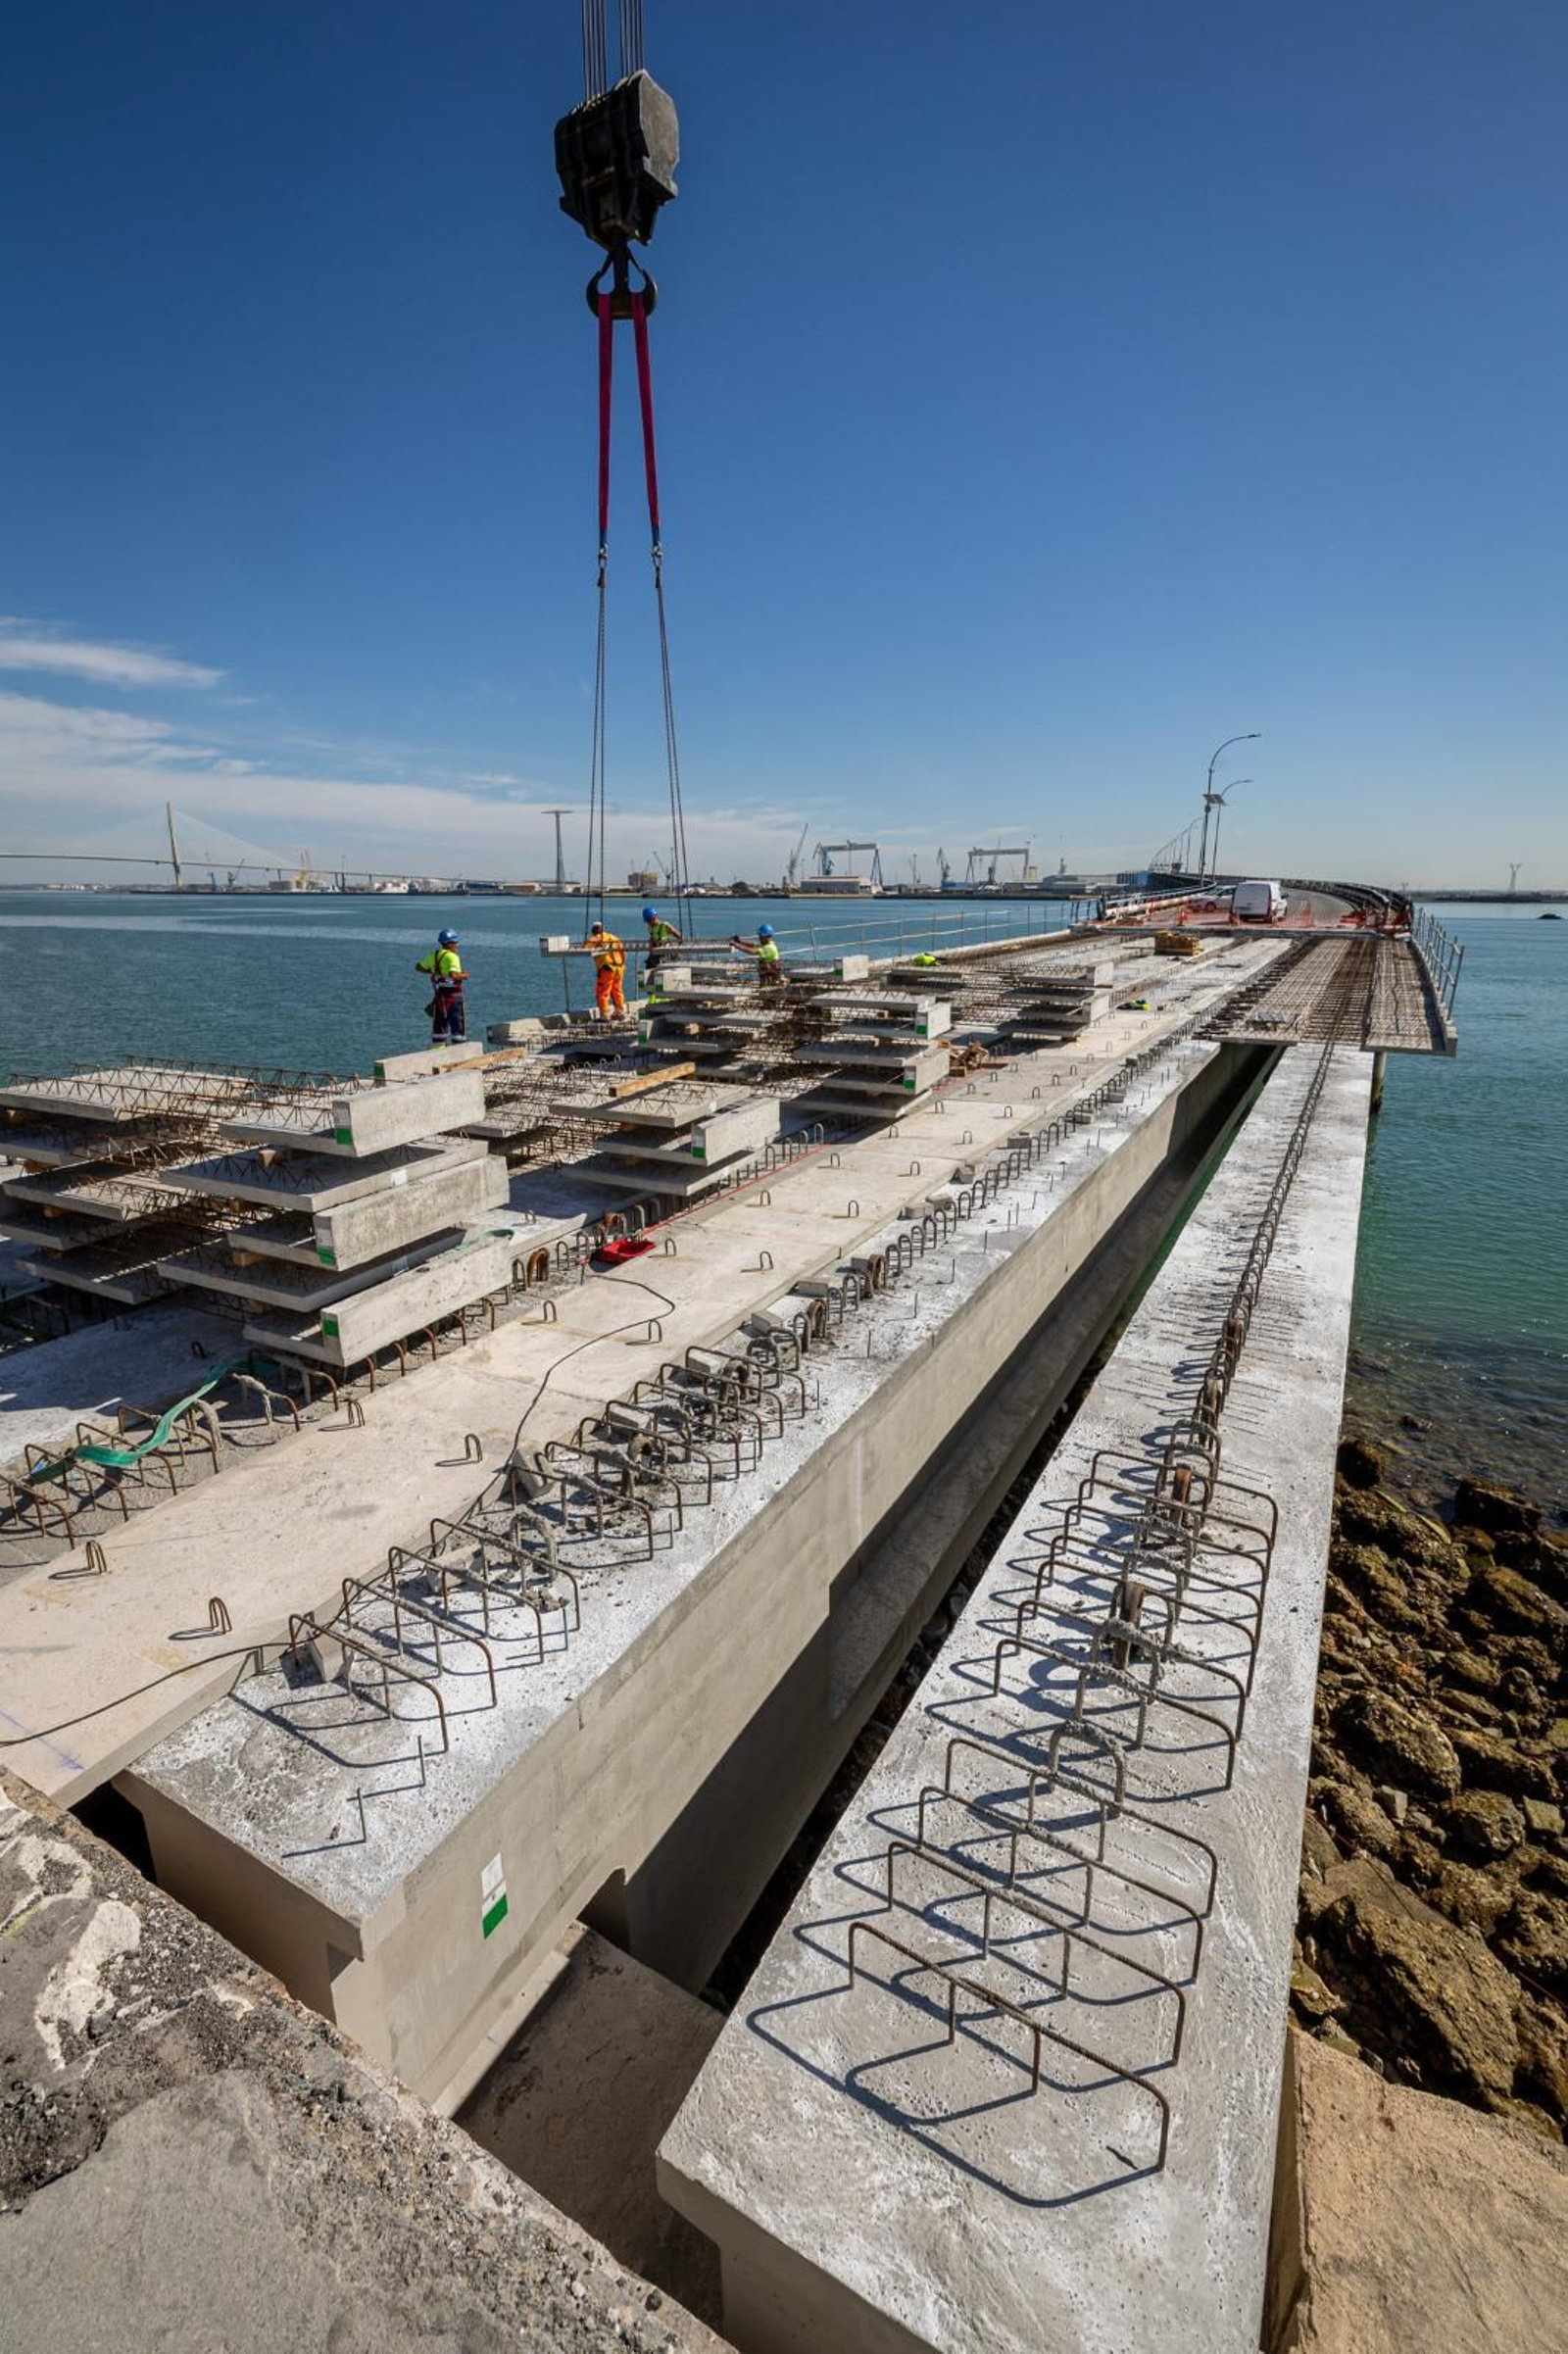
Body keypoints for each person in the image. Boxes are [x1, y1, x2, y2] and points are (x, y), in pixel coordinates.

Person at [415, 928, 468, 1044]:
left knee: (439, 1029)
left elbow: (418, 967)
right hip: (453, 998)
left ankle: (437, 1053)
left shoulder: (433, 955)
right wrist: (465, 975)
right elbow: (453, 975)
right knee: (458, 1029)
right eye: (455, 942)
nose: (457, 945)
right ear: (449, 944)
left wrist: (434, 972)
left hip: (439, 998)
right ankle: (459, 1054)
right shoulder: (452, 957)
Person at [583, 920, 626, 1019]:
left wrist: (585, 944)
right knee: (617, 990)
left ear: (594, 930)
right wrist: (623, 965)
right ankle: (619, 1012)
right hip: (619, 968)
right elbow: (623, 952)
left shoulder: (598, 937)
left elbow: (586, 946)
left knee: (602, 991)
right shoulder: (614, 937)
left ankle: (604, 1015)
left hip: (607, 968)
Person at [729, 921, 784, 986]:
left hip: (772, 970)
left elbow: (753, 951)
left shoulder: (769, 947)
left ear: (767, 937)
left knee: (763, 966)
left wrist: (737, 946)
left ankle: (770, 983)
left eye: (761, 936)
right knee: (763, 965)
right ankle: (766, 983)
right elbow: (753, 945)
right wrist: (740, 942)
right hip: (769, 969)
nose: (759, 937)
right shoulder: (766, 944)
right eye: (759, 935)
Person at [642, 904, 682, 984]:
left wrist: (679, 945)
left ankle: (662, 993)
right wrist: (650, 945)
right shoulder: (651, 928)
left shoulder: (665, 925)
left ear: (654, 918)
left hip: (665, 954)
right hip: (655, 954)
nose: (648, 923)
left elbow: (679, 935)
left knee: (661, 975)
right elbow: (652, 939)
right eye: (648, 921)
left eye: (649, 921)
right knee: (648, 973)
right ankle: (652, 993)